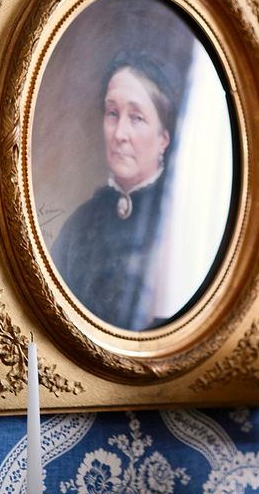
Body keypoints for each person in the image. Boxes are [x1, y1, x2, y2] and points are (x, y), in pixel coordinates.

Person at [51, 51, 177, 331]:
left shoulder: (177, 222)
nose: (120, 133)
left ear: (163, 139)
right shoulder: (81, 222)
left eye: (137, 118)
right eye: (112, 113)